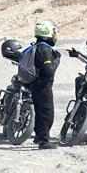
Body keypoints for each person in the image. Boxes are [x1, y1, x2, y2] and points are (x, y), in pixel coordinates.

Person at [26, 20, 60, 148]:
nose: (55, 34)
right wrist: (57, 60)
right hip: (43, 85)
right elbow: (49, 70)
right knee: (47, 113)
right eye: (53, 32)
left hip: (35, 84)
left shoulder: (37, 46)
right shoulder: (44, 49)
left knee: (39, 111)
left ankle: (39, 136)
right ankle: (43, 141)